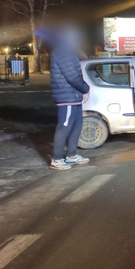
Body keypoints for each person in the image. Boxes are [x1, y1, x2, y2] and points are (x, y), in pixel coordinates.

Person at [49, 27, 91, 170]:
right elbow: (72, 76)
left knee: (76, 126)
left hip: (74, 96)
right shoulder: (63, 51)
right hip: (66, 97)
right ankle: (57, 159)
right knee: (64, 127)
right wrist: (86, 89)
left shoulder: (69, 51)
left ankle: (71, 155)